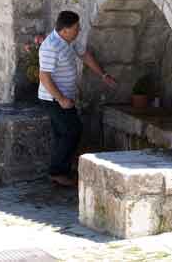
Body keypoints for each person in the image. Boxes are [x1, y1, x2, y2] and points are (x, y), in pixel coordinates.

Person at [38, 10, 116, 187]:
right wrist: (61, 99)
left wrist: (103, 75)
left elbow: (85, 55)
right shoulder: (50, 46)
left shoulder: (69, 41)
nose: (79, 30)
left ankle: (61, 169)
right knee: (71, 131)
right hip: (53, 99)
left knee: (65, 133)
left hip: (64, 97)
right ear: (65, 30)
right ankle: (57, 172)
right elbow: (44, 77)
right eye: (76, 28)